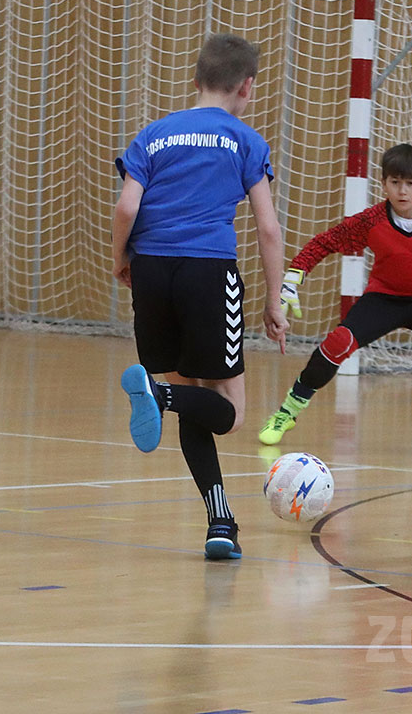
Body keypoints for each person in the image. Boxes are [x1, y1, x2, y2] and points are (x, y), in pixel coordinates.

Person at [112, 33, 289, 561]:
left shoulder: (153, 134)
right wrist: (274, 300)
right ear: (247, 87)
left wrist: (121, 259)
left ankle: (220, 523)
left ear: (196, 80)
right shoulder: (245, 141)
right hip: (208, 271)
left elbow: (126, 208)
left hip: (151, 269)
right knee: (229, 413)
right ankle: (159, 396)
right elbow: (268, 229)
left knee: (192, 400)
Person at [257, 143, 412, 458]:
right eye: (395, 182)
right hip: (385, 298)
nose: (402, 190)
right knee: (337, 343)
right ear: (384, 184)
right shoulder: (372, 220)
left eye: (410, 183)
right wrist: (294, 276)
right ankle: (286, 412)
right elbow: (326, 241)